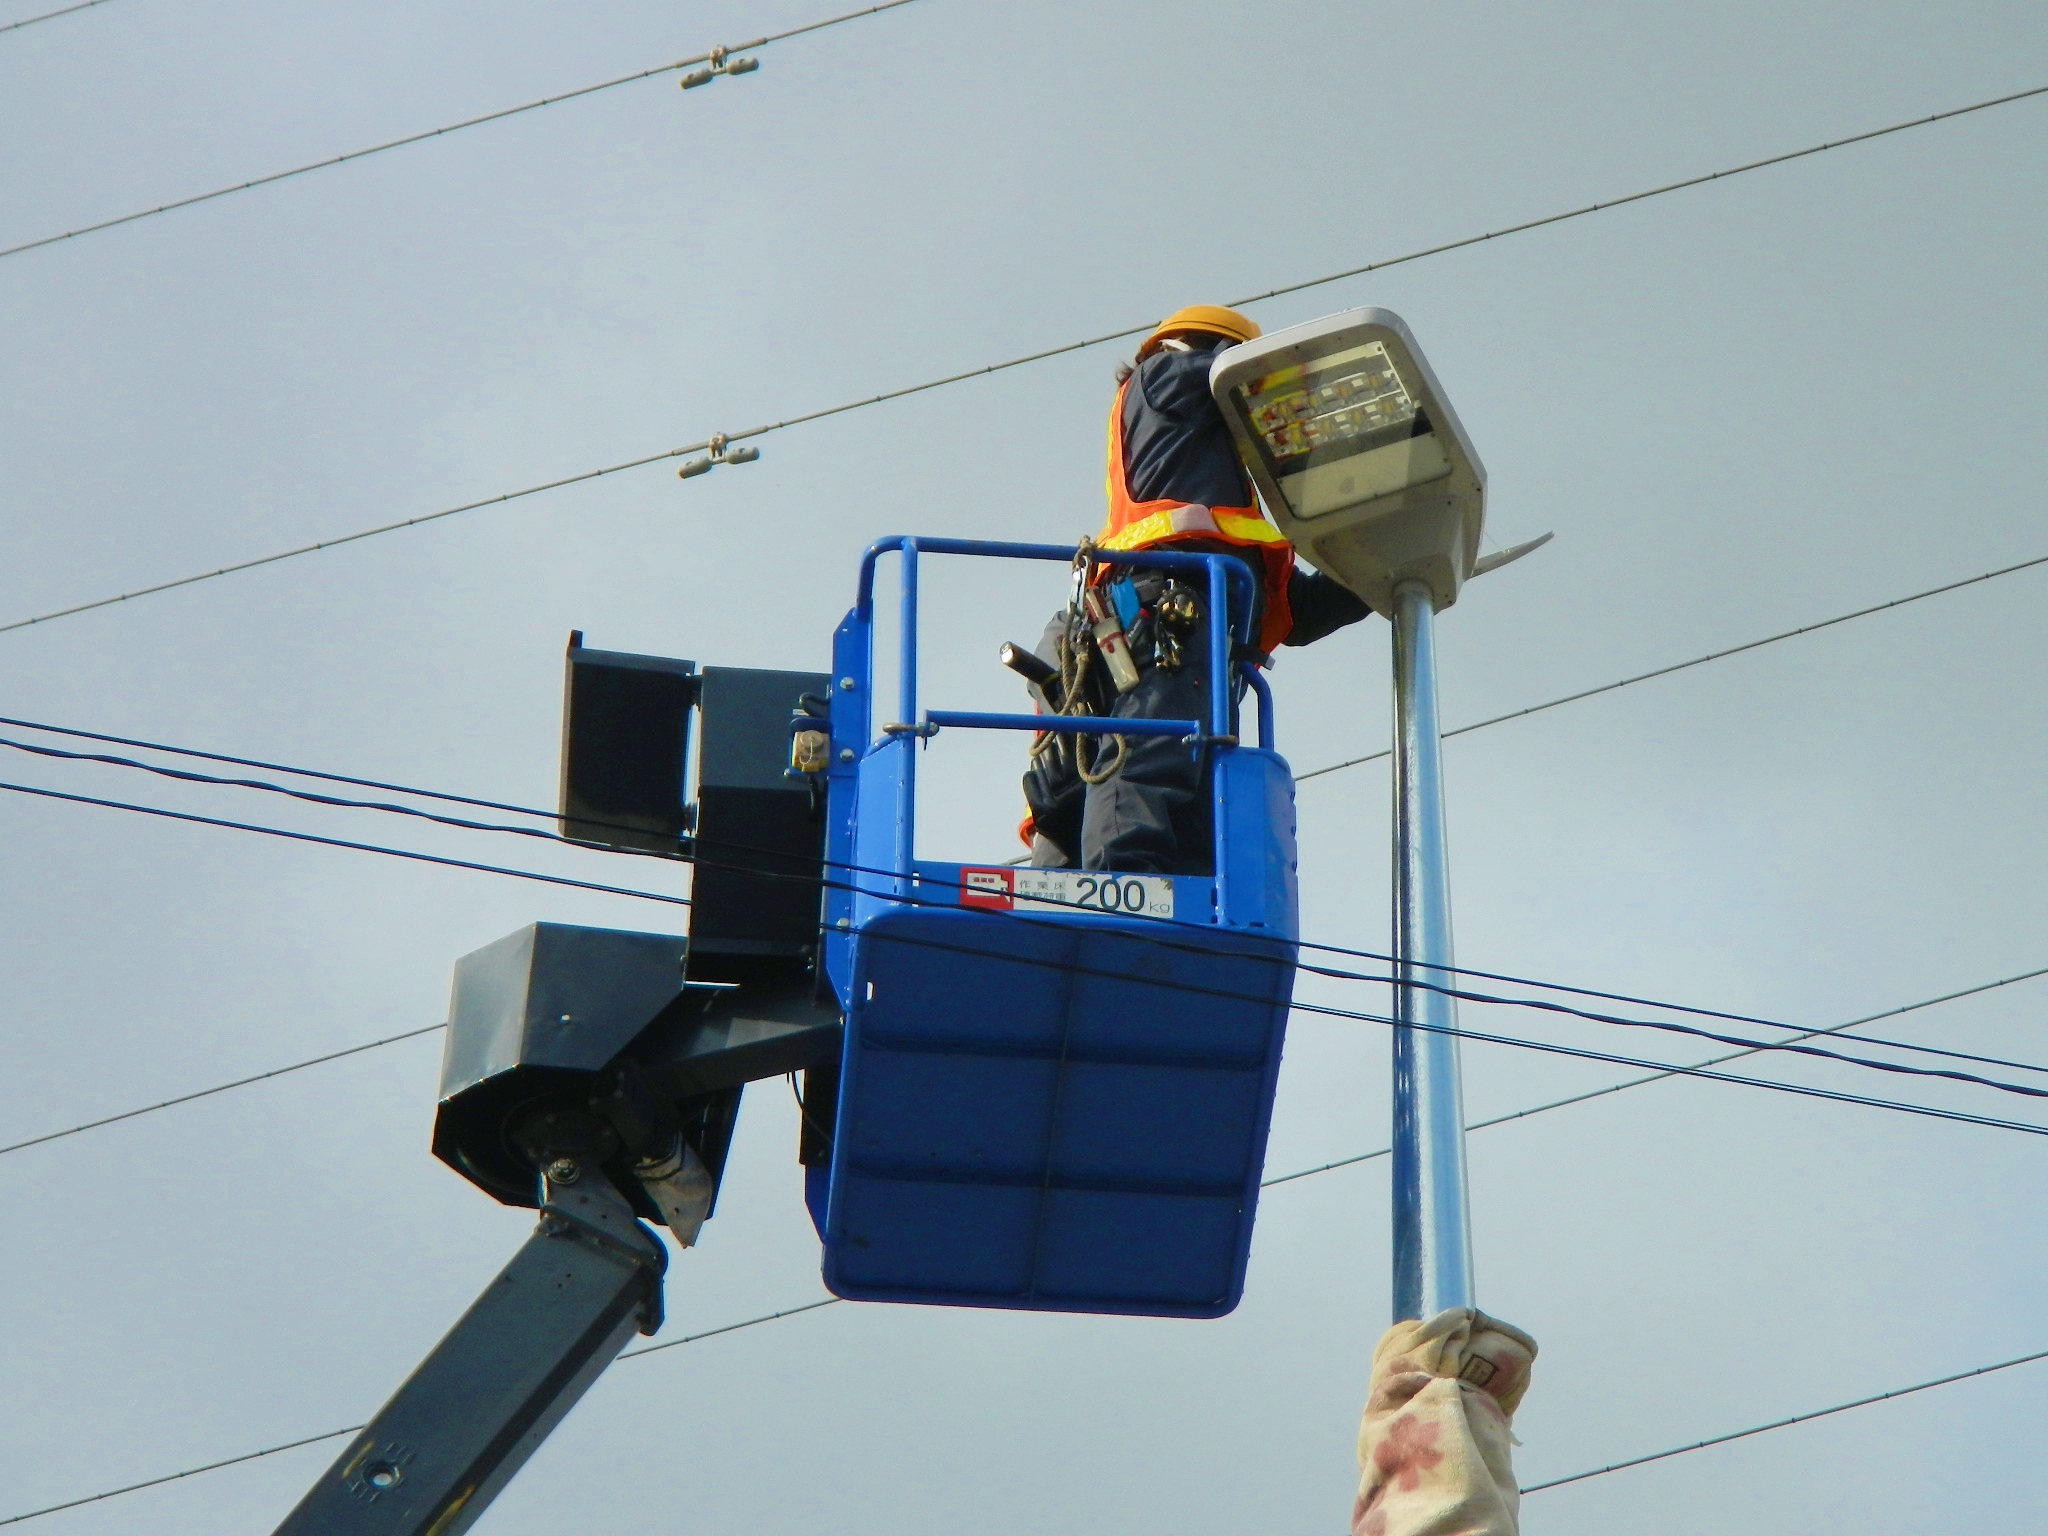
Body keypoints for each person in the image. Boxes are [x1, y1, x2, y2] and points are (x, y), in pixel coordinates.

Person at [1020, 304, 1373, 874]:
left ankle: (1088, 886)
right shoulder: (1161, 377)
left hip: (1163, 628)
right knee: (1148, 753)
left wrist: (1385, 569)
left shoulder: (1215, 497)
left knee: (1160, 775)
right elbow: (1230, 372)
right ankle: (1122, 887)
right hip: (1157, 613)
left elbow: (1298, 615)